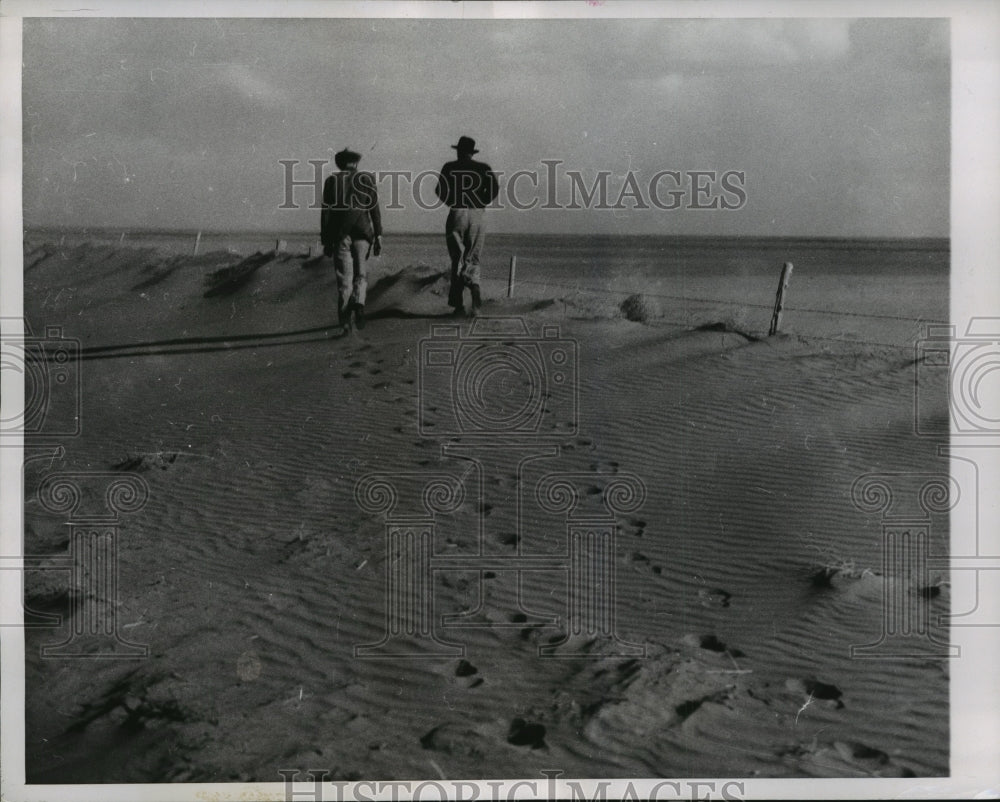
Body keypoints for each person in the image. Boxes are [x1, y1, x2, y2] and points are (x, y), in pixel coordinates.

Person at [436, 136, 499, 316]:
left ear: (458, 151)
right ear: (473, 152)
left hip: (457, 211)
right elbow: (494, 188)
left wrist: (452, 202)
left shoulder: (449, 167)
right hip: (478, 214)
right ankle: (475, 288)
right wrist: (482, 202)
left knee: (457, 257)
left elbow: (439, 190)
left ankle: (458, 305)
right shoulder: (483, 168)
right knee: (473, 256)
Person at [321, 147, 383, 330]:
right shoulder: (367, 179)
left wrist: (326, 240)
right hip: (363, 234)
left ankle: (345, 324)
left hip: (340, 236)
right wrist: (378, 234)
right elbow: (375, 210)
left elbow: (326, 213)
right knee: (361, 274)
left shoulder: (332, 181)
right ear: (356, 163)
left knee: (344, 279)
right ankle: (360, 303)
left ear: (340, 164)